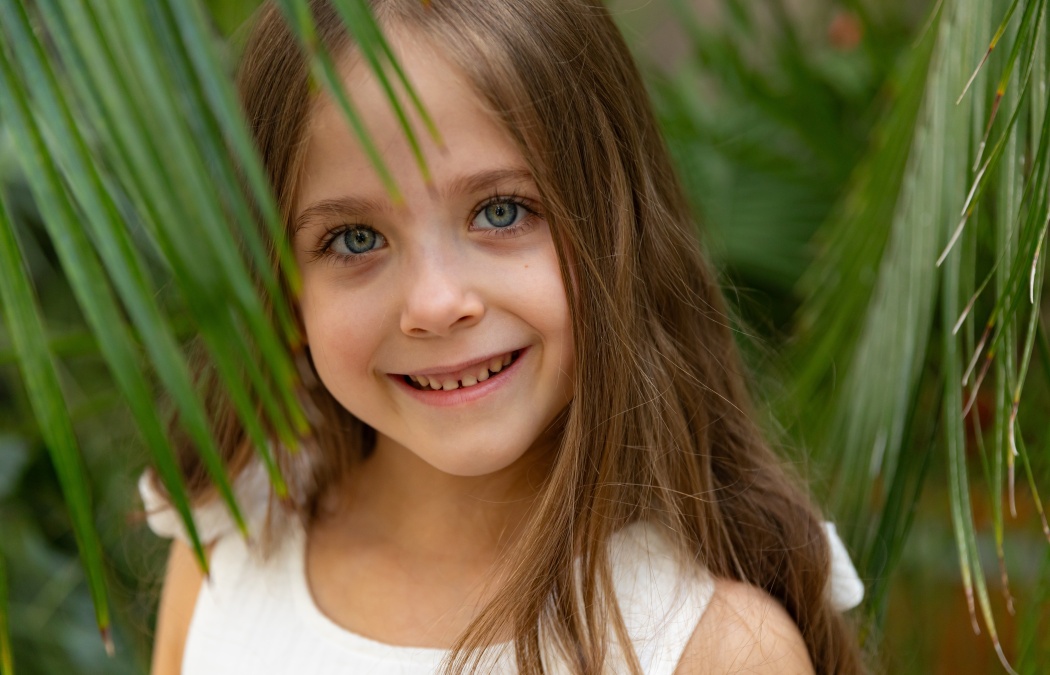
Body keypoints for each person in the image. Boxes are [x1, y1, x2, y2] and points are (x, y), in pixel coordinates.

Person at [143, 1, 866, 673]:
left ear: (618, 228)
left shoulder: (711, 644)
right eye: (354, 237)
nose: (434, 303)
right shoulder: (230, 543)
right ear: (278, 284)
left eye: (500, 211)